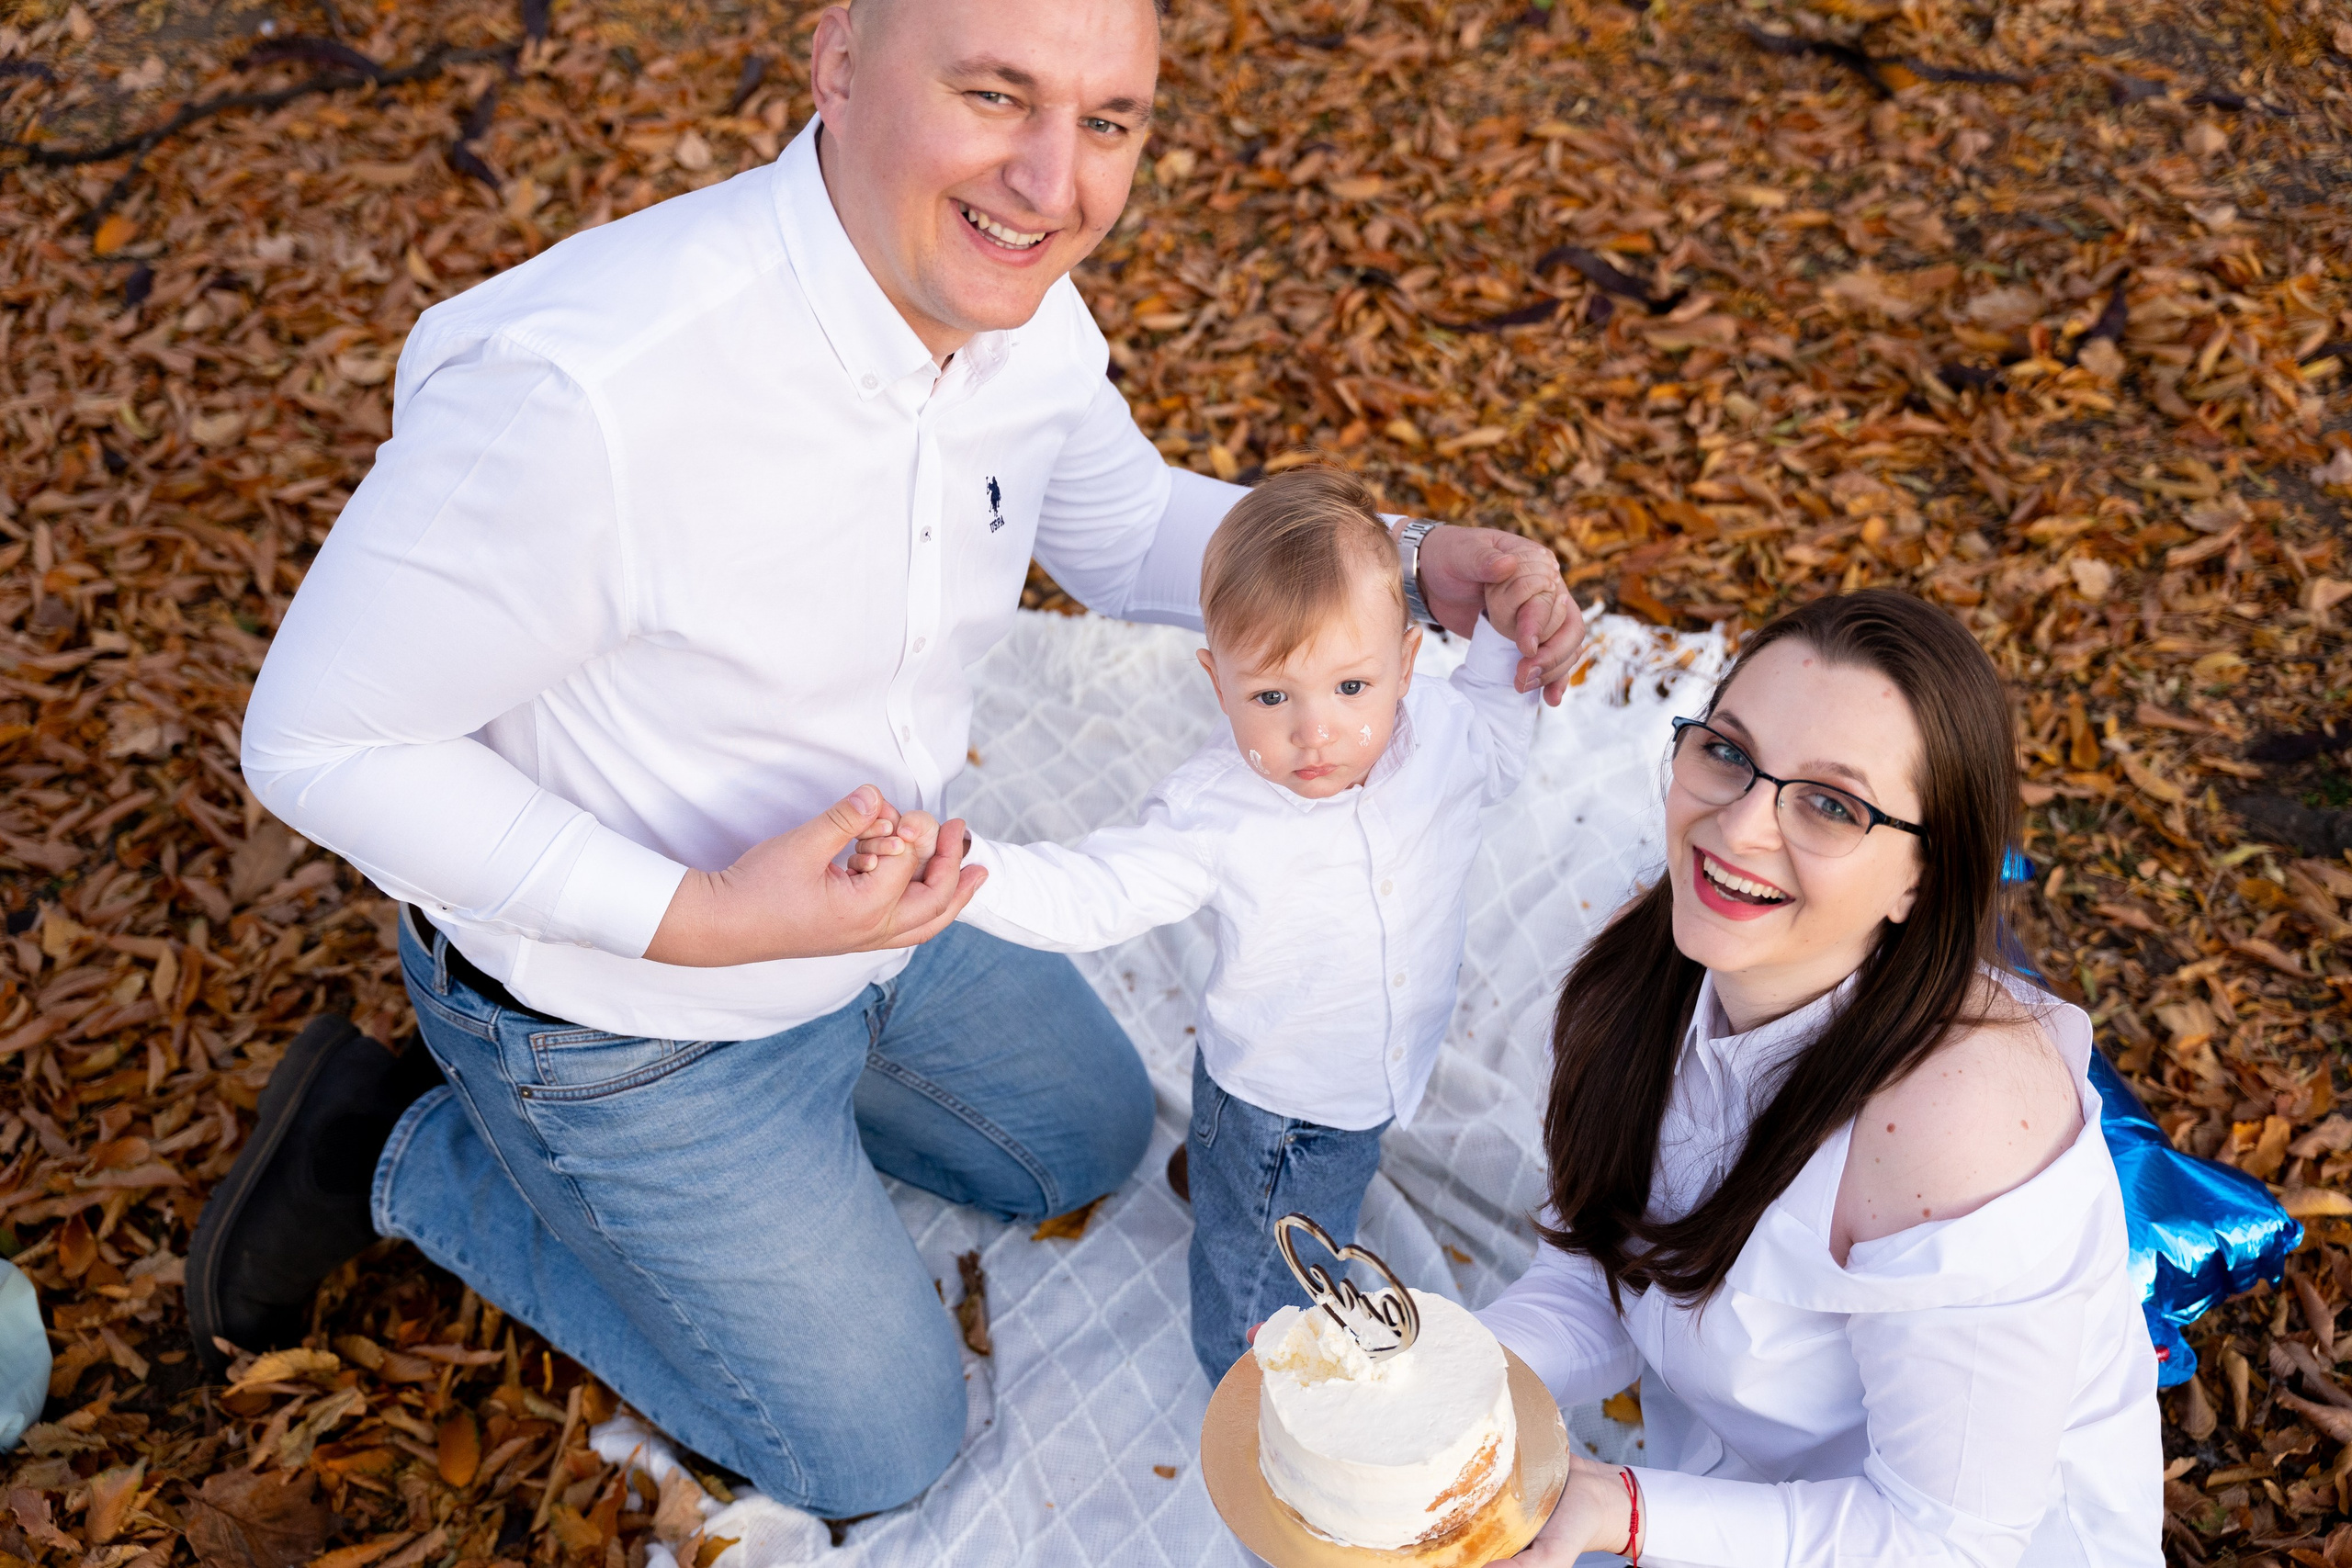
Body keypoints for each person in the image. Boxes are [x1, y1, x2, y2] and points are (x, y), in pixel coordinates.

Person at [198, 0, 1586, 1519]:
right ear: (839, 61)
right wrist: (717, 915)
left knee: (1090, 1142)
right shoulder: (587, 395)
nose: (1056, 186)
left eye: (1108, 123)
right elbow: (321, 739)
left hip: (889, 919)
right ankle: (404, 1146)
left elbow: (1119, 524)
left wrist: (1410, 562)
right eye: (997, 96)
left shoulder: (1014, 305)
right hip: (634, 1017)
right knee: (881, 1448)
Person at [1480, 590, 2159, 1566]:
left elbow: (1952, 1545)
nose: (1740, 827)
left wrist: (1628, 1512)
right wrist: (1445, 1375)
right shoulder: (1654, 965)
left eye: (1831, 804)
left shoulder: (1956, 1121)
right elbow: (1602, 1265)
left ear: (1923, 878)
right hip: (1731, 1509)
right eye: (1725, 751)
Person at [888, 467, 1536, 1382]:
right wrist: (959, 872)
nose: (1316, 733)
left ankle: (1219, 1179)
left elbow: (1500, 751)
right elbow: (1095, 891)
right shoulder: (1217, 815)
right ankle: (1253, 1384)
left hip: (1384, 1063)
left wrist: (1511, 649)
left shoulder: (1442, 737)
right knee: (1266, 1280)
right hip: (1284, 1104)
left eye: (1351, 687)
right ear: (1216, 679)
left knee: (1288, 1189)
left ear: (1407, 660)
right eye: (1272, 698)